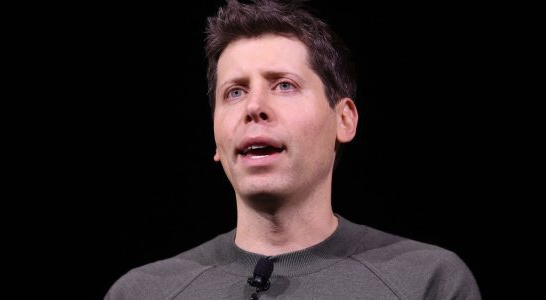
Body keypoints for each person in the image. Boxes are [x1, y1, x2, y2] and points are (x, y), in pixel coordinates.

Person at [105, 0, 481, 299]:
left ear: (344, 120)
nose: (254, 107)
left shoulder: (426, 281)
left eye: (284, 85)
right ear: (216, 138)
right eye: (235, 92)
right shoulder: (142, 292)